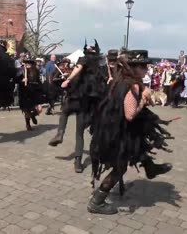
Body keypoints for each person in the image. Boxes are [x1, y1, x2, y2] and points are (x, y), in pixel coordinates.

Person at [87, 51, 173, 214]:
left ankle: (150, 168)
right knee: (120, 169)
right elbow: (130, 114)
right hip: (119, 134)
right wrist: (142, 100)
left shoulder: (121, 80)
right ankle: (96, 202)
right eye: (144, 67)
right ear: (134, 68)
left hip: (115, 130)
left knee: (137, 147)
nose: (147, 70)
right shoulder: (132, 85)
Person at [48, 40, 107, 173]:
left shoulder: (84, 59)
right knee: (79, 133)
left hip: (77, 95)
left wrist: (68, 79)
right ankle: (78, 162)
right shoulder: (100, 63)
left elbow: (78, 68)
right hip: (89, 100)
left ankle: (60, 133)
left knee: (64, 111)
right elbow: (104, 79)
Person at [18, 56, 45, 130]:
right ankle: (28, 124)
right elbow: (16, 80)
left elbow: (39, 82)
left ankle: (33, 115)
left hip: (34, 93)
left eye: (29, 63)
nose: (28, 65)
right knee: (26, 110)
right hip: (25, 93)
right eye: (26, 63)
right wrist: (22, 81)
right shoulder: (21, 71)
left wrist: (41, 90)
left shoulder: (35, 71)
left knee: (39, 109)